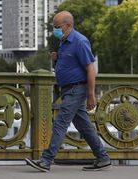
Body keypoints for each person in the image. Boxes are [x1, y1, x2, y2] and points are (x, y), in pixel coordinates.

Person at [25, 11, 111, 172]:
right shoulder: (64, 42)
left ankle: (46, 160)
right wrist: (57, 57)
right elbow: (71, 62)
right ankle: (103, 157)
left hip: (77, 89)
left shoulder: (79, 41)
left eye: (57, 27)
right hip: (68, 89)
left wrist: (91, 94)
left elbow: (90, 69)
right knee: (83, 125)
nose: (54, 30)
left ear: (68, 25)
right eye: (53, 27)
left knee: (60, 122)